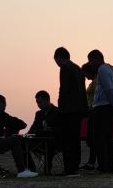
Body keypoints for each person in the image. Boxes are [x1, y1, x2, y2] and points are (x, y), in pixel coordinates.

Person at [0, 94, 38, 178]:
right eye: (5, 105)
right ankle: (22, 170)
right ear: (0, 103)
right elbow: (19, 124)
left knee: (11, 139)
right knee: (14, 140)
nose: (5, 108)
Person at [53, 47, 88, 176]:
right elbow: (82, 91)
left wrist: (60, 106)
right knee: (75, 139)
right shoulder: (78, 69)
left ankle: (69, 168)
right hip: (79, 109)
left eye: (56, 60)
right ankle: (75, 166)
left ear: (59, 57)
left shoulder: (65, 68)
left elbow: (64, 89)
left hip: (68, 110)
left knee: (68, 140)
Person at [87, 49, 113, 174]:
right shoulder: (111, 71)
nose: (90, 63)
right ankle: (109, 167)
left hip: (103, 107)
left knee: (100, 138)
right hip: (109, 107)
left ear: (97, 59)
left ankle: (103, 167)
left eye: (90, 60)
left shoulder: (102, 70)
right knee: (107, 138)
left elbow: (109, 88)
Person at [27, 90, 61, 173]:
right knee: (23, 144)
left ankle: (47, 168)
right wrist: (27, 134)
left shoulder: (57, 112)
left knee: (49, 144)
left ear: (47, 100)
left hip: (54, 141)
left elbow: (61, 129)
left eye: (40, 102)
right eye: (37, 103)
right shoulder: (38, 114)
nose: (38, 105)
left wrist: (51, 129)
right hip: (40, 141)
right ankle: (30, 168)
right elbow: (33, 127)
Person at [80, 62, 97, 171]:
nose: (85, 76)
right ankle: (91, 162)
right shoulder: (93, 82)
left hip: (93, 111)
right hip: (90, 111)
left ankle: (92, 162)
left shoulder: (96, 82)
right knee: (90, 138)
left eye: (85, 73)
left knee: (92, 138)